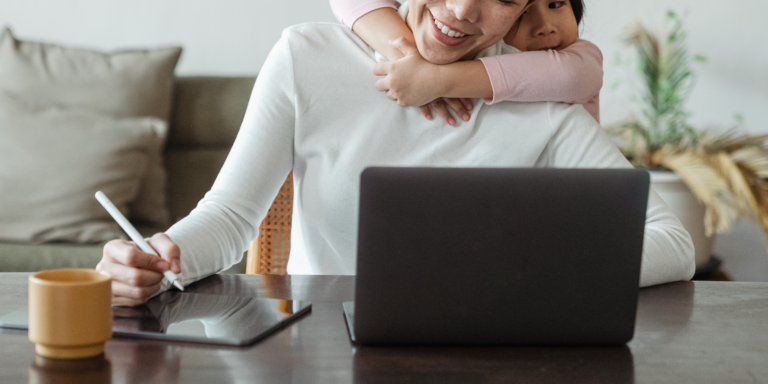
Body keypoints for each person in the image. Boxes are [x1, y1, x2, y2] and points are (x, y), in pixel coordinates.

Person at [97, 0, 695, 306]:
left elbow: (671, 242)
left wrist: (534, 271)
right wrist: (156, 256)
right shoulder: (307, 57)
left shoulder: (542, 101)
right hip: (321, 355)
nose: (463, 10)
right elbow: (229, 219)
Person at [331, 0, 602, 124]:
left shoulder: (581, 57)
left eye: (556, 4)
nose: (545, 27)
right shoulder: (496, 52)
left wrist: (435, 80)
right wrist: (406, 54)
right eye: (527, 14)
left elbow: (573, 76)